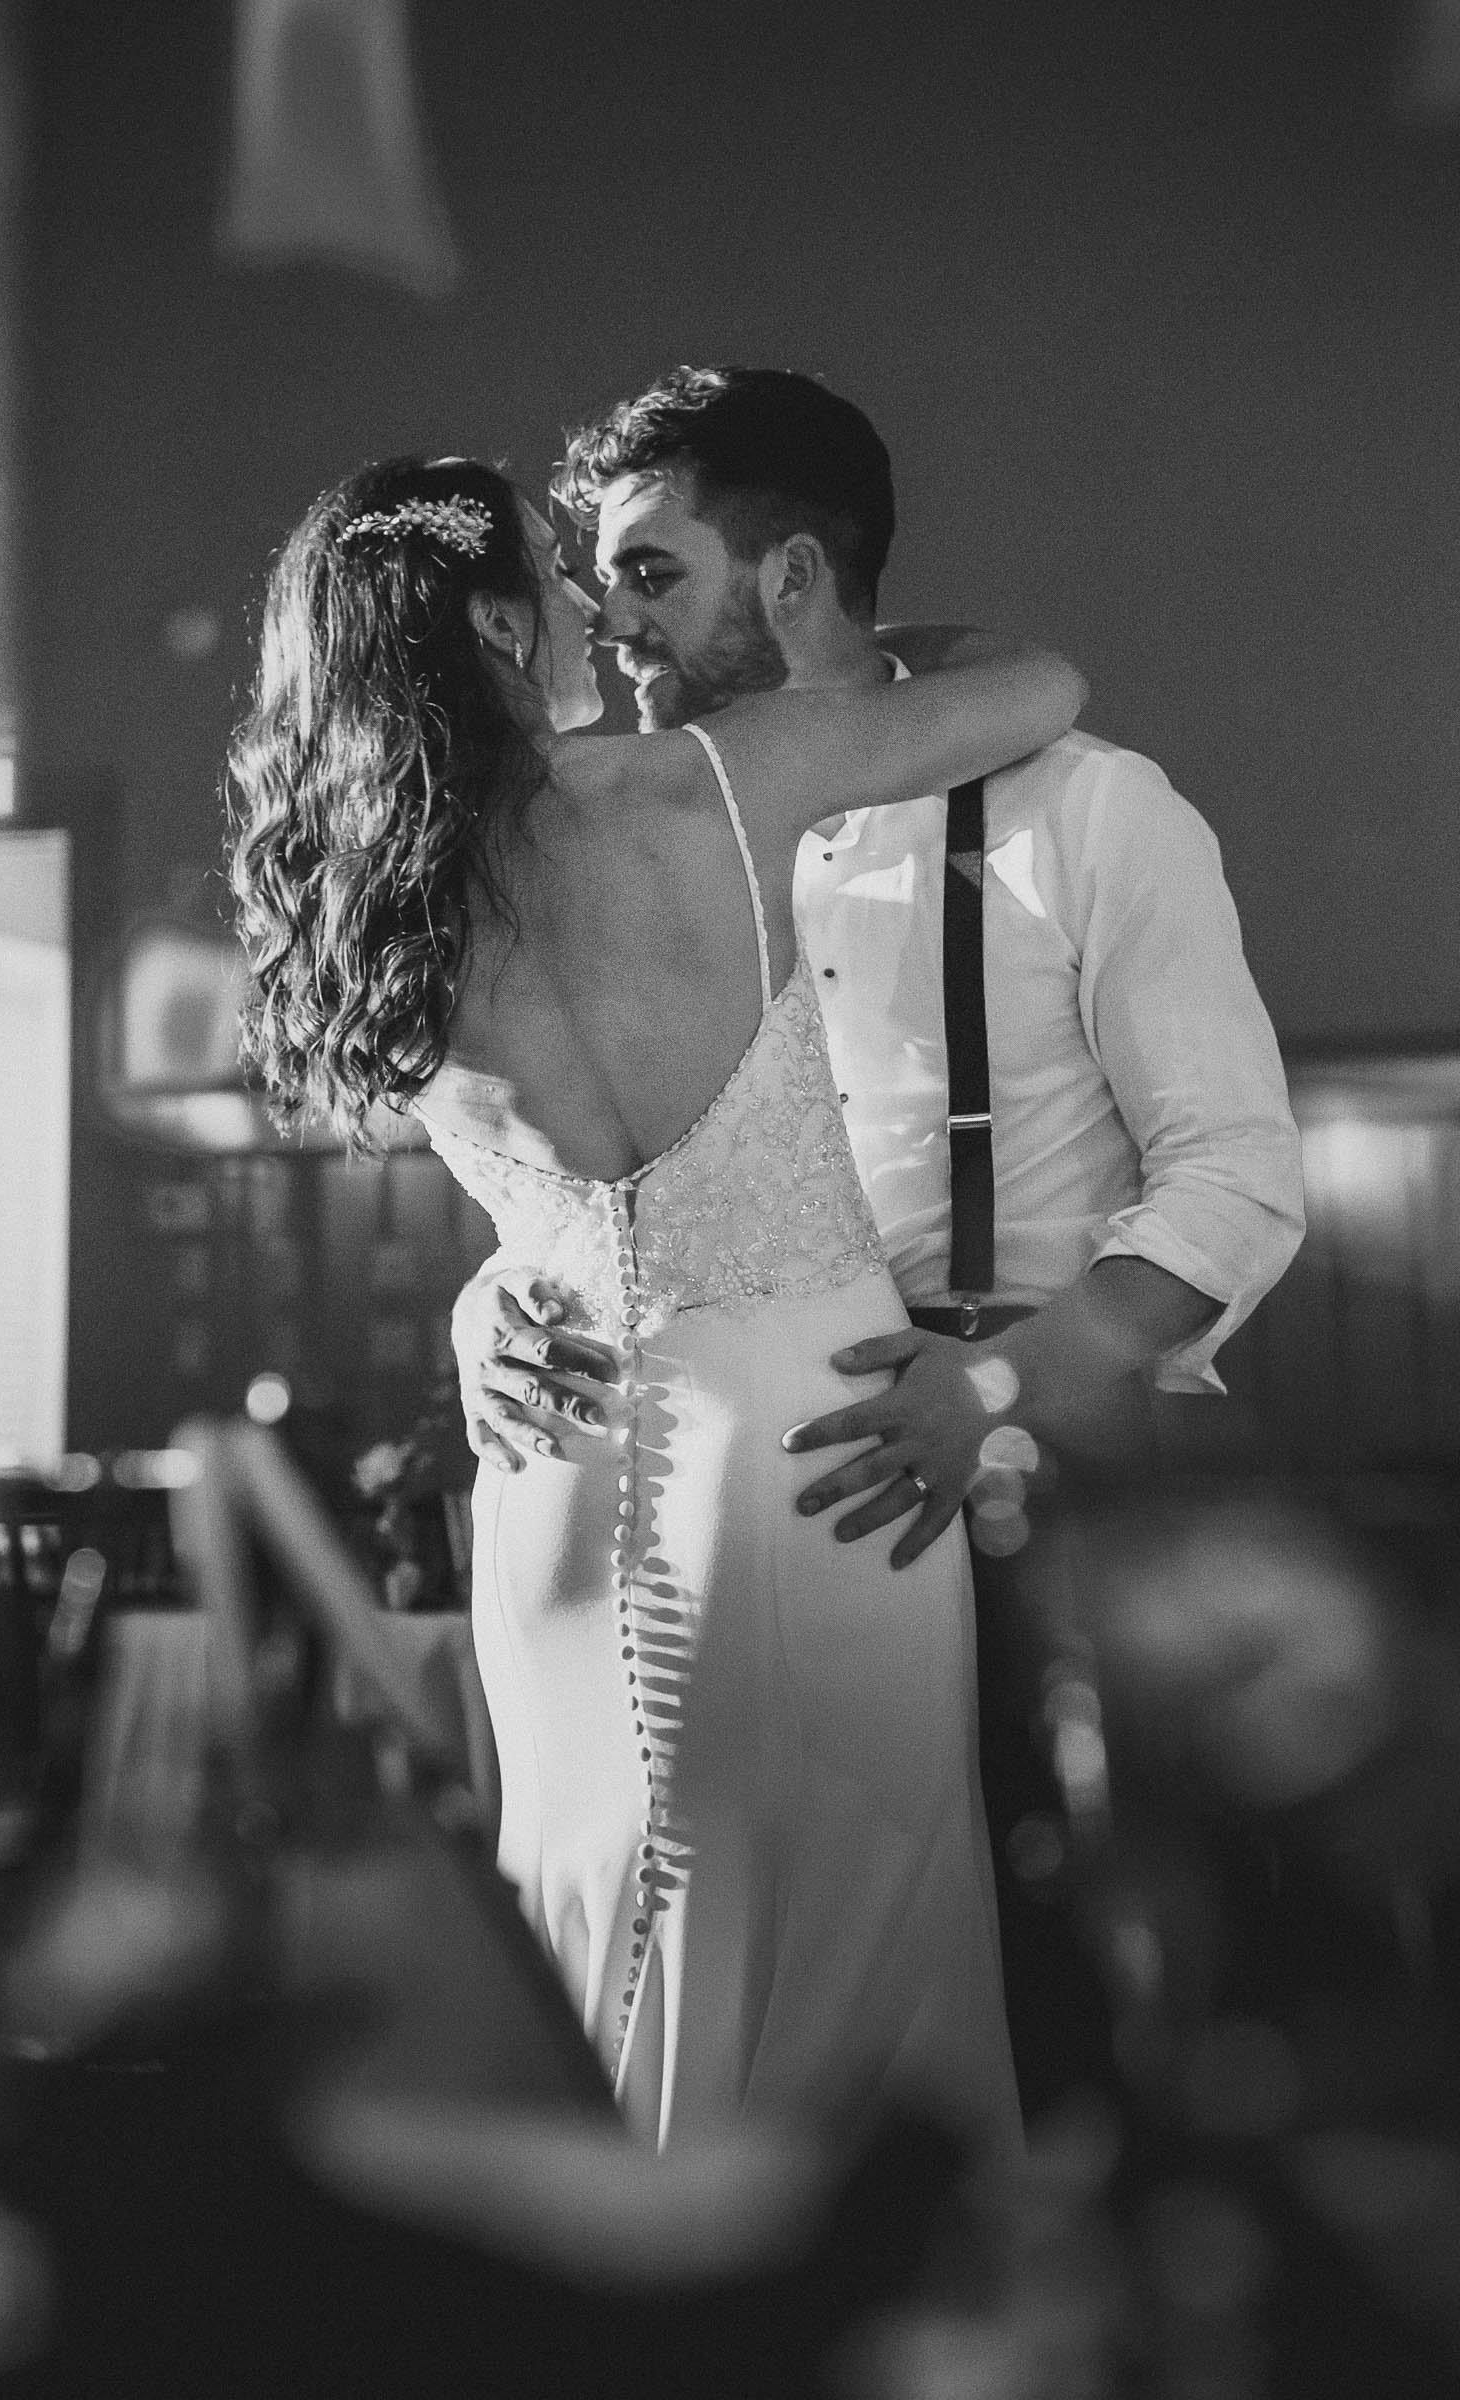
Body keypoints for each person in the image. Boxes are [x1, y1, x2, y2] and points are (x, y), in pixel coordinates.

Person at [454, 366, 1306, 2108]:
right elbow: (609, 1163)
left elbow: (1235, 1182)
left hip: (1050, 1492)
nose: (611, 623)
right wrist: (497, 1297)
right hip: (768, 1510)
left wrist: (995, 1386)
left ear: (788, 582)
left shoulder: (1085, 810)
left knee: (1093, 2005)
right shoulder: (634, 835)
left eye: (651, 570)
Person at [226, 448, 1086, 2156]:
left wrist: (486, 1311)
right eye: (562, 572)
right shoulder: (705, 781)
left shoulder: (362, 888)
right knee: (849, 1951)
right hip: (814, 1449)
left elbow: (557, 1207)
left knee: (590, 1916)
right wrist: (813, 629)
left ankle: (615, 2301)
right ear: (491, 618)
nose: (597, 607)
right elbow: (1042, 685)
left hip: (554, 1467)